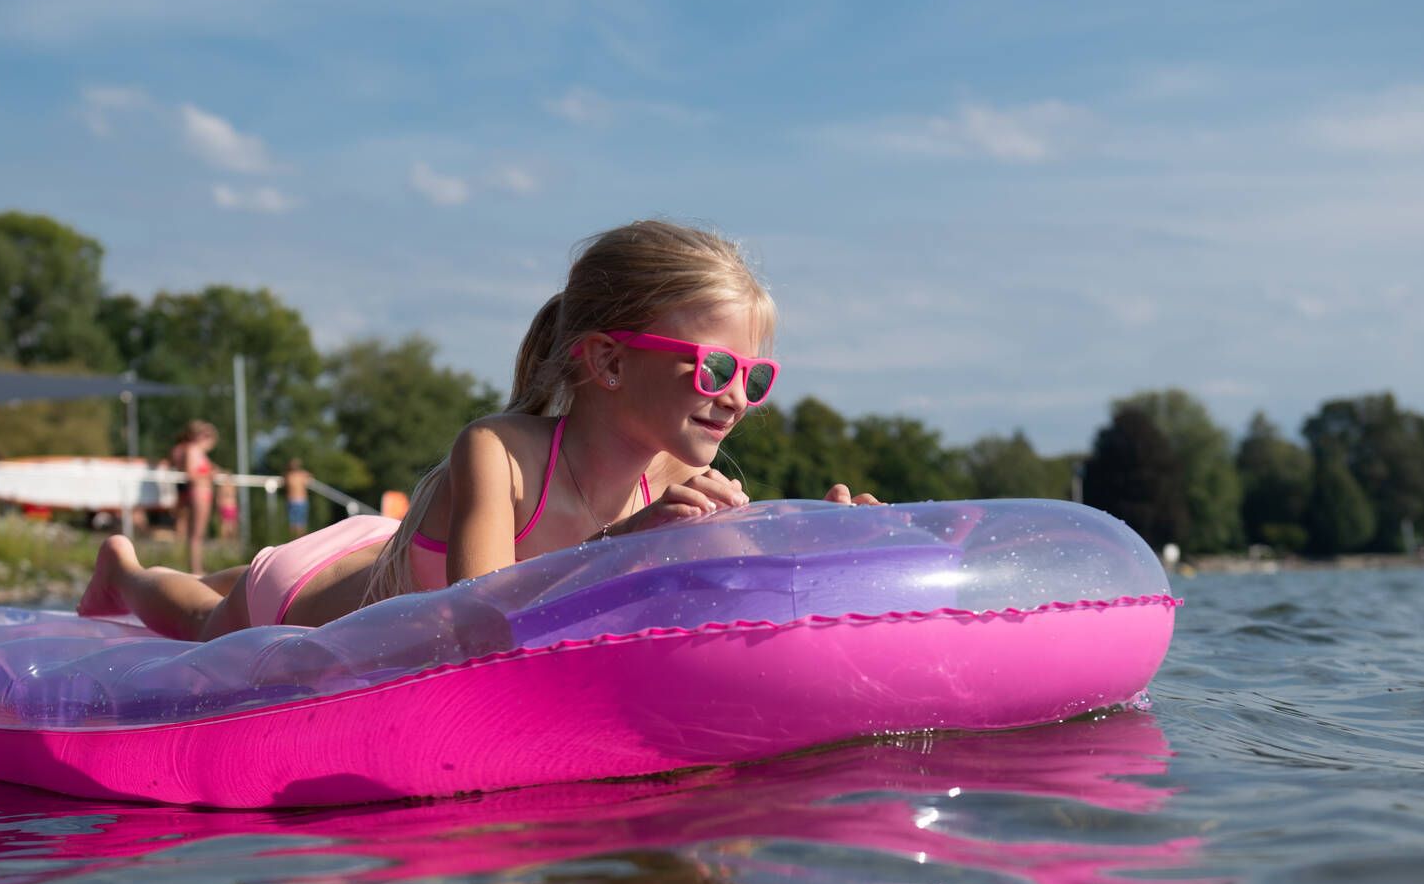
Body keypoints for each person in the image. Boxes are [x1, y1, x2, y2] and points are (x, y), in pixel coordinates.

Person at [78, 219, 875, 641]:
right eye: (711, 368)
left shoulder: (668, 480)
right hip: (306, 597)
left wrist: (823, 532)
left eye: (754, 377)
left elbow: (747, 576)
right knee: (196, 616)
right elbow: (475, 615)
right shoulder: (499, 452)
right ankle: (124, 569)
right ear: (607, 362)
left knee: (228, 575)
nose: (735, 397)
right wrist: (621, 545)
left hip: (382, 543)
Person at [168, 420, 218, 575]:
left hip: (203, 492)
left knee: (198, 534)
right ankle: (196, 569)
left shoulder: (199, 451)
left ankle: (197, 568)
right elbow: (191, 474)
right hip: (198, 492)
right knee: (195, 534)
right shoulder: (192, 450)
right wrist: (208, 475)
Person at [283, 458, 312, 536]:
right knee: (298, 522)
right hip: (298, 500)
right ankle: (297, 540)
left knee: (296, 522)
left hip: (295, 500)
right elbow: (309, 479)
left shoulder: (288, 476)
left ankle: (296, 540)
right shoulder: (301, 475)